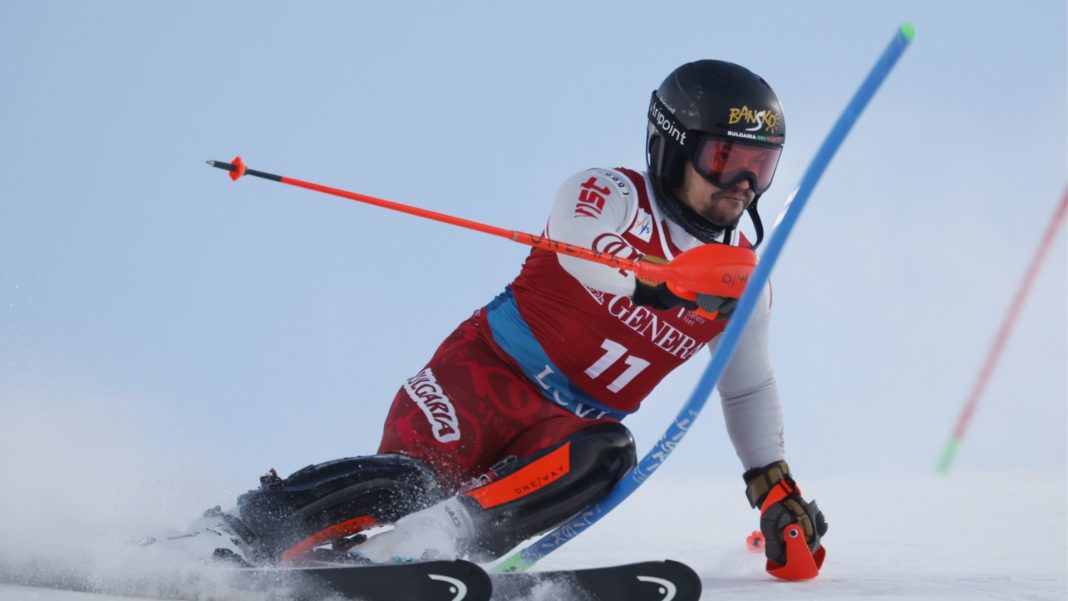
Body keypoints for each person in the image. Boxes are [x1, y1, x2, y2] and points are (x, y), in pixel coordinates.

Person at [204, 59, 827, 571]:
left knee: (611, 451)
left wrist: (772, 487)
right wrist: (667, 284)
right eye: (725, 159)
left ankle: (429, 546)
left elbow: (747, 388)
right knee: (412, 483)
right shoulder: (610, 193)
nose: (743, 184)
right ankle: (236, 530)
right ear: (672, 147)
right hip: (483, 379)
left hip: (562, 436)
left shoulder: (743, 284)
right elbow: (584, 252)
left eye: (761, 166)